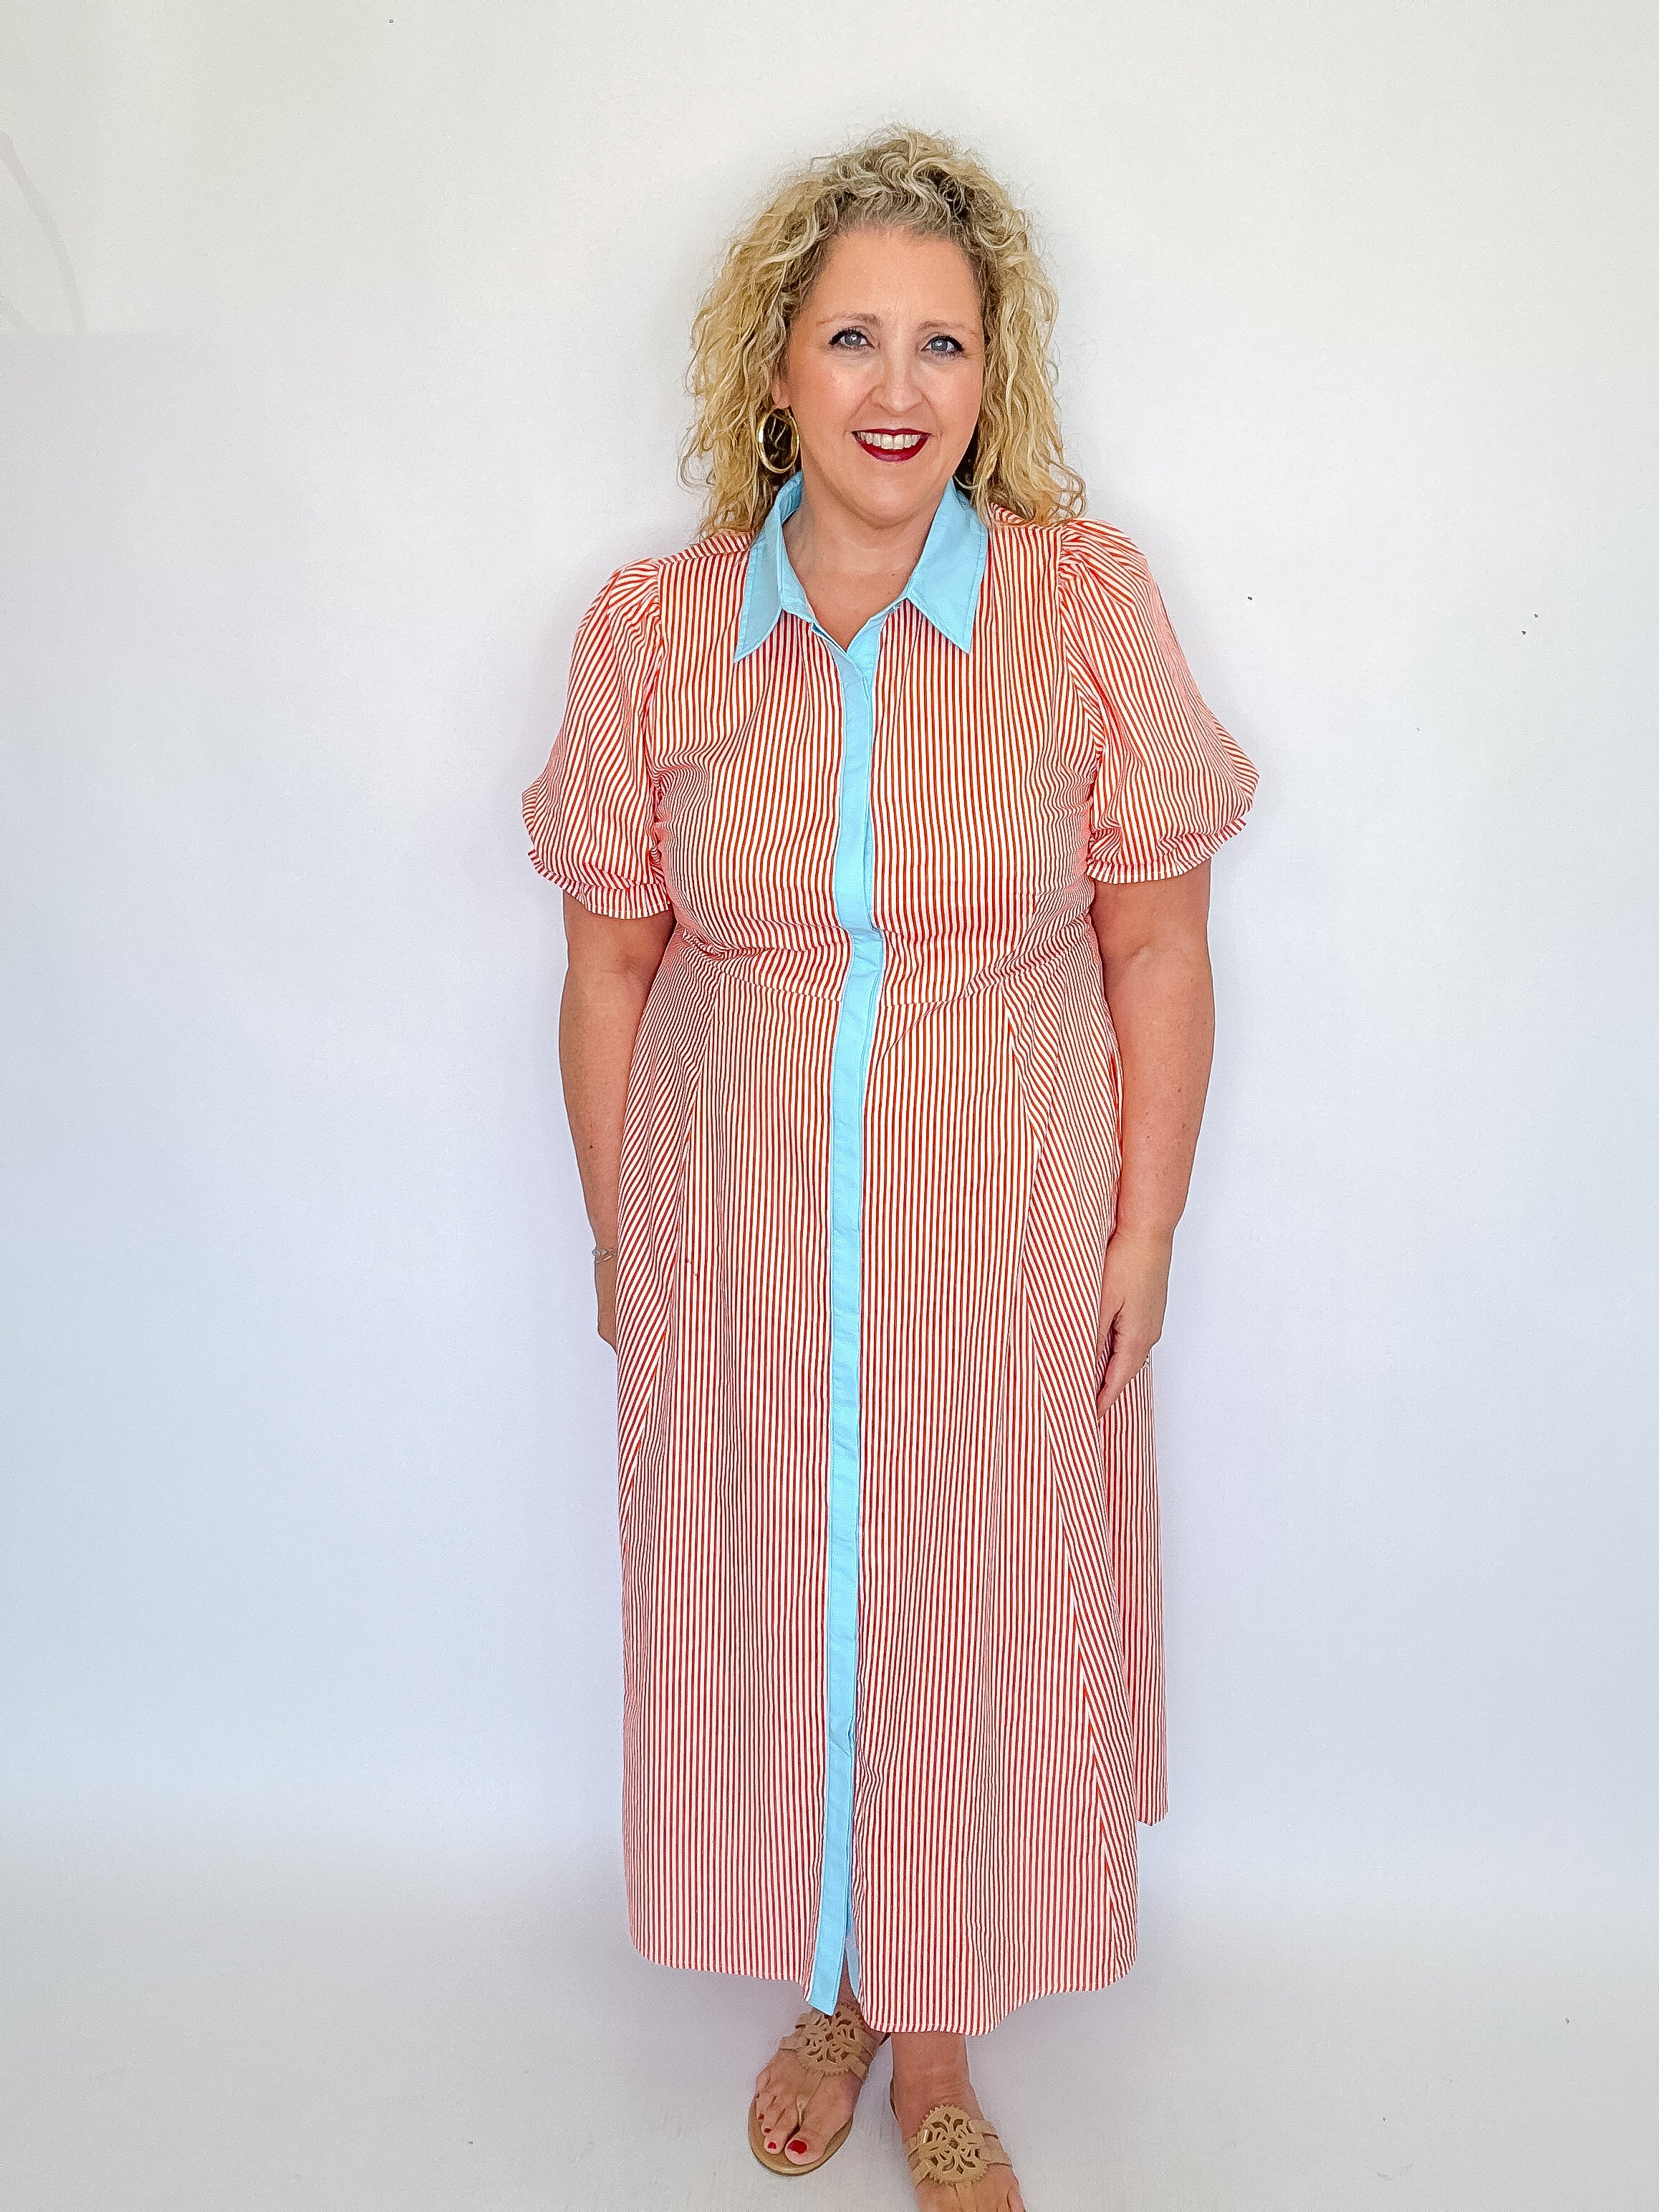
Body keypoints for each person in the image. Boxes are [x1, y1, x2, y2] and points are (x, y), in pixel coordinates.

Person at [523, 126, 1257, 2211]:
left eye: (941, 341)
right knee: (785, 1586)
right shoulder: (657, 631)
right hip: (741, 1234)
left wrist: (1144, 1229)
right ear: (774, 367)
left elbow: (1158, 943)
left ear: (989, 374)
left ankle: (934, 2035)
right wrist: (626, 1237)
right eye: (852, 336)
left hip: (1005, 1223)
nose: (897, 385)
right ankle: (834, 1981)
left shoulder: (1076, 609)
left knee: (964, 1604)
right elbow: (607, 966)